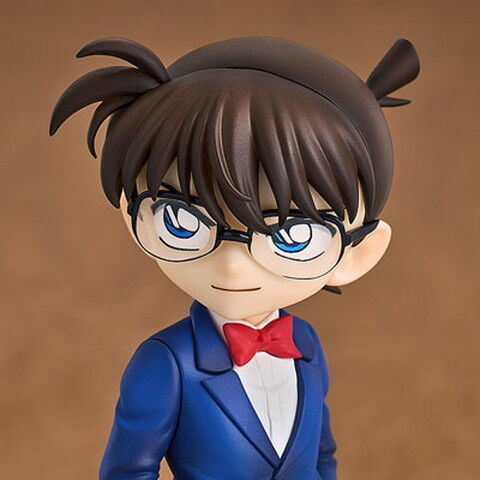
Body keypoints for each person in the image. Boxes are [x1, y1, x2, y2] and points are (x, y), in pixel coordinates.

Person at [50, 35, 419, 480]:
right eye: (182, 221)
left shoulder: (305, 344)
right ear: (134, 216)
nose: (232, 264)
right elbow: (128, 472)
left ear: (356, 254)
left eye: (292, 235)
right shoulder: (167, 363)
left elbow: (322, 455)